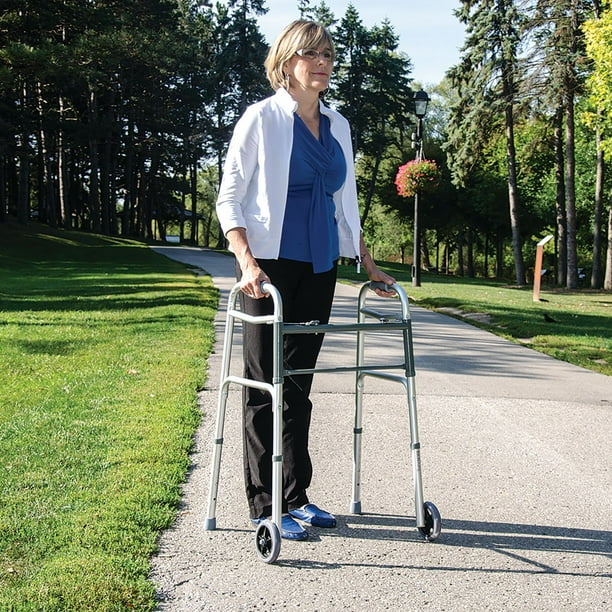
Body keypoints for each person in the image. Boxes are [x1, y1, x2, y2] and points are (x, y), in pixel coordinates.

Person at [215, 19, 396, 541]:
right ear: (287, 60)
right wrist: (246, 260)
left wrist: (366, 259)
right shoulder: (261, 119)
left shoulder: (338, 125)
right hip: (267, 271)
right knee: (262, 385)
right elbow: (230, 197)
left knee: (298, 385)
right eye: (310, 53)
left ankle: (297, 495)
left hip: (320, 267)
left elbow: (347, 204)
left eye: (328, 55)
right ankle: (264, 504)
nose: (322, 62)